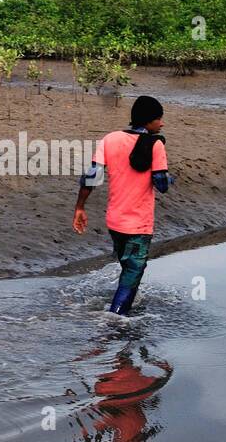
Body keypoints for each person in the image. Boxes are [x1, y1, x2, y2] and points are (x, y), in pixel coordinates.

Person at [72, 95, 172, 315]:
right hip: (138, 225)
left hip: (115, 222)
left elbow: (91, 177)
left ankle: (124, 305)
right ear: (148, 121)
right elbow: (162, 185)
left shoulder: (110, 139)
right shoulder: (156, 145)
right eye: (159, 118)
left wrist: (80, 207)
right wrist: (168, 176)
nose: (162, 123)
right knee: (132, 274)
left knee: (128, 267)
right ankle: (114, 320)